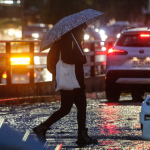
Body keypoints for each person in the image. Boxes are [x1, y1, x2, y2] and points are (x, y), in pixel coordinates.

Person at [33, 23, 97, 145]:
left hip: (72, 79)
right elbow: (68, 58)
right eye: (83, 29)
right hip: (70, 79)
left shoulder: (70, 39)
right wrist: (83, 58)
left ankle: (82, 134)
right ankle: (42, 127)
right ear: (78, 29)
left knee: (80, 106)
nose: (84, 31)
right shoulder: (69, 39)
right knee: (67, 108)